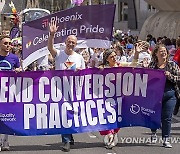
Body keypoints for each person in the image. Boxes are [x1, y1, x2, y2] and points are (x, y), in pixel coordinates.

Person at [99, 41, 146, 149]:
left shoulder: (121, 65)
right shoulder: (103, 68)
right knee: (107, 116)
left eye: (115, 56)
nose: (114, 58)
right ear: (107, 59)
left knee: (119, 117)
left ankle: (114, 134)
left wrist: (137, 53)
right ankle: (109, 135)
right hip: (107, 98)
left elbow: (133, 65)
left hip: (121, 97)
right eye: (112, 57)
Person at [48, 20, 85, 152]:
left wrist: (80, 71)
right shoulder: (59, 54)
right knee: (63, 114)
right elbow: (50, 48)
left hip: (74, 91)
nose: (71, 44)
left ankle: (69, 134)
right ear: (65, 42)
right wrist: (52, 35)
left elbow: (84, 74)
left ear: (76, 45)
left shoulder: (79, 57)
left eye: (73, 42)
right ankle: (66, 141)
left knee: (72, 113)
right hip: (60, 90)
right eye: (69, 41)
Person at [149, 44, 180, 148]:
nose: (163, 53)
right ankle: (153, 133)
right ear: (156, 54)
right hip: (155, 96)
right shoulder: (152, 65)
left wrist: (170, 76)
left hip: (170, 95)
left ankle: (166, 139)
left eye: (164, 51)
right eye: (161, 51)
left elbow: (179, 78)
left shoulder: (172, 64)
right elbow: (146, 80)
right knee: (154, 115)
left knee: (167, 118)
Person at [0, 35, 21, 151]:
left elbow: (20, 69)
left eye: (9, 44)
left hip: (8, 92)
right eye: (5, 43)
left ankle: (5, 141)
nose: (8, 46)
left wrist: (19, 70)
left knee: (7, 117)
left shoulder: (14, 58)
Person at [173, 38, 180, 115]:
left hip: (178, 74)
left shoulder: (178, 51)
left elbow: (175, 62)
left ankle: (176, 109)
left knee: (178, 92)